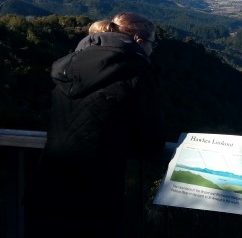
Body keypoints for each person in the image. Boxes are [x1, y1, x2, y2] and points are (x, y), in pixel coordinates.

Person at [25, 12, 165, 237]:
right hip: (95, 195)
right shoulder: (136, 72)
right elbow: (152, 140)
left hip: (46, 186)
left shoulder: (69, 66)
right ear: (139, 40)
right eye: (152, 43)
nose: (152, 49)